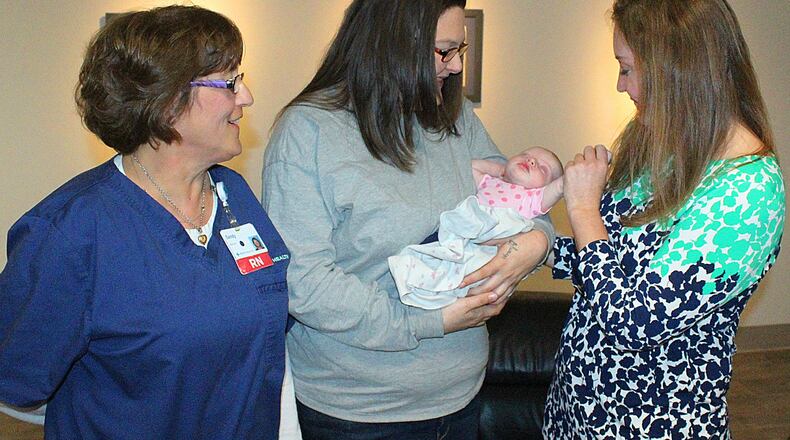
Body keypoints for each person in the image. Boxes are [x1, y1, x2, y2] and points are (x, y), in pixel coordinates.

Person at [262, 0, 554, 438]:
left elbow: (523, 201)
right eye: (444, 51)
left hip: (459, 397)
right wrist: (428, 323)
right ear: (392, 42)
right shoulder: (309, 131)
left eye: (461, 49)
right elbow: (305, 283)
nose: (456, 67)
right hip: (358, 412)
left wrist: (536, 244)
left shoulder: (454, 118)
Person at [0, 6, 293, 439]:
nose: (246, 97)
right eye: (230, 82)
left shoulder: (234, 196)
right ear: (168, 100)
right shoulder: (72, 231)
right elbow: (16, 380)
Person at [542, 0, 785, 438]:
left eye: (627, 67)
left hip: (651, 426)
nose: (621, 85)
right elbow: (613, 262)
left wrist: (581, 209)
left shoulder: (749, 191)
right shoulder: (666, 146)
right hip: (581, 412)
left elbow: (637, 320)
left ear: (677, 71)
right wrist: (540, 249)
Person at [389, 146, 564, 309]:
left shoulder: (533, 199)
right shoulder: (490, 182)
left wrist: (571, 178)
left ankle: (439, 293)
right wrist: (500, 169)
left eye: (542, 169)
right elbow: (469, 166)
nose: (532, 161)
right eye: (526, 155)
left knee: (461, 272)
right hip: (460, 232)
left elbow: (559, 187)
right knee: (424, 257)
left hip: (483, 246)